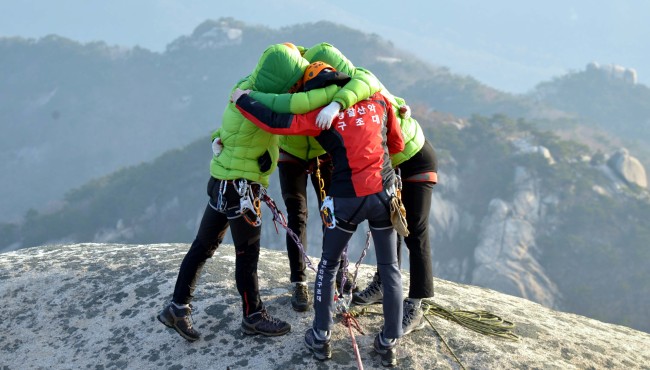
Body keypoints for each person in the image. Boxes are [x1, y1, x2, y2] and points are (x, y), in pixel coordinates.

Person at [252, 42, 439, 336]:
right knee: (389, 221)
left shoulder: (356, 88)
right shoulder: (344, 98)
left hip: (414, 158)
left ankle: (416, 302)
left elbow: (388, 123)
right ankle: (381, 285)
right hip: (388, 162)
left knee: (413, 228)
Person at [232, 61, 405, 367]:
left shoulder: (322, 115)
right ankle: (389, 341)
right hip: (383, 194)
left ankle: (321, 336)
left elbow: (276, 122)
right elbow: (397, 143)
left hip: (346, 199)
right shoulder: (378, 99)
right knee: (389, 267)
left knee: (327, 266)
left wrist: (242, 99)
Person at [156, 43, 310, 341]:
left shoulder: (243, 88)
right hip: (241, 189)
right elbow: (294, 113)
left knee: (202, 247)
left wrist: (265, 154)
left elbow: (229, 131)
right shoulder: (265, 103)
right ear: (280, 79)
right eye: (292, 78)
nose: (294, 85)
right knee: (247, 254)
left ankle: (176, 308)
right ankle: (253, 316)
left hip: (221, 181)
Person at [247, 47, 384, 312]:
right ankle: (299, 281)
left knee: (333, 215)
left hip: (325, 151)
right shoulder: (281, 71)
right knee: (297, 214)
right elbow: (254, 98)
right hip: (292, 150)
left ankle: (340, 276)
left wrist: (338, 104)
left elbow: (365, 80)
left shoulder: (324, 55)